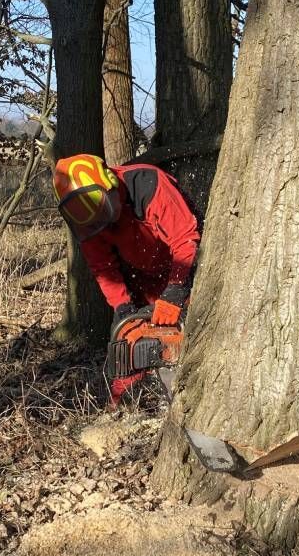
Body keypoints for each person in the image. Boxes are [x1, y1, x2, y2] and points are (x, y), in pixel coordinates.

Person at [53, 153, 200, 404]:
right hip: (140, 278)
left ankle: (190, 398)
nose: (101, 223)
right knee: (128, 339)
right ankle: (121, 407)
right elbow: (103, 268)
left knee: (187, 338)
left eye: (104, 212)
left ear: (110, 183)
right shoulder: (87, 219)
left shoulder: (147, 184)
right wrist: (122, 306)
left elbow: (185, 239)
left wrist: (176, 289)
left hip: (184, 269)